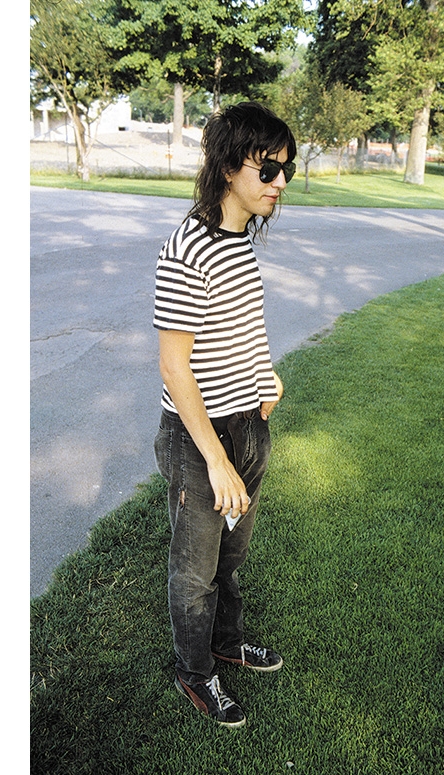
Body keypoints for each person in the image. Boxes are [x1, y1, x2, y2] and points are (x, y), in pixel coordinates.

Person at [153, 102, 297, 728]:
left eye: (286, 171)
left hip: (248, 425)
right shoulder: (187, 249)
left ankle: (224, 641)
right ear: (230, 164)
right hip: (200, 439)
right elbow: (174, 367)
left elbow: (241, 326)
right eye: (269, 170)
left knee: (231, 555)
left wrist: (265, 376)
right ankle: (195, 672)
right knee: (195, 571)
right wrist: (214, 460)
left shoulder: (238, 240)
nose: (280, 184)